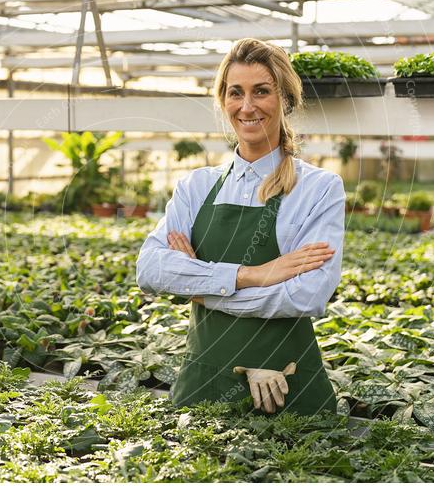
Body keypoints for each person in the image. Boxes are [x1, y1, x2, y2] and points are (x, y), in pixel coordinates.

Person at [136, 38, 344, 416]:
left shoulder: (319, 188)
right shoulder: (195, 186)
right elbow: (150, 270)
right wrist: (253, 274)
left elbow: (307, 295)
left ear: (285, 101)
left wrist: (199, 289)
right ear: (223, 102)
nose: (247, 106)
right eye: (236, 93)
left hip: (286, 379)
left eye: (261, 91)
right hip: (205, 378)